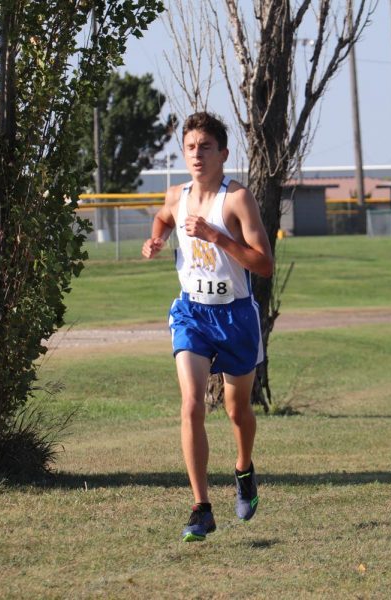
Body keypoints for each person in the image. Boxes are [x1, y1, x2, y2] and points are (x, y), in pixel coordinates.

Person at [142, 112, 274, 542]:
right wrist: (157, 239)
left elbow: (265, 265)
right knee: (192, 405)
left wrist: (218, 238)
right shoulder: (177, 196)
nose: (197, 154)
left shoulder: (237, 200)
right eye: (190, 147)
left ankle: (244, 470)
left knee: (237, 411)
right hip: (192, 313)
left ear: (223, 154)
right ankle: (201, 508)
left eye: (206, 147)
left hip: (235, 316)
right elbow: (163, 217)